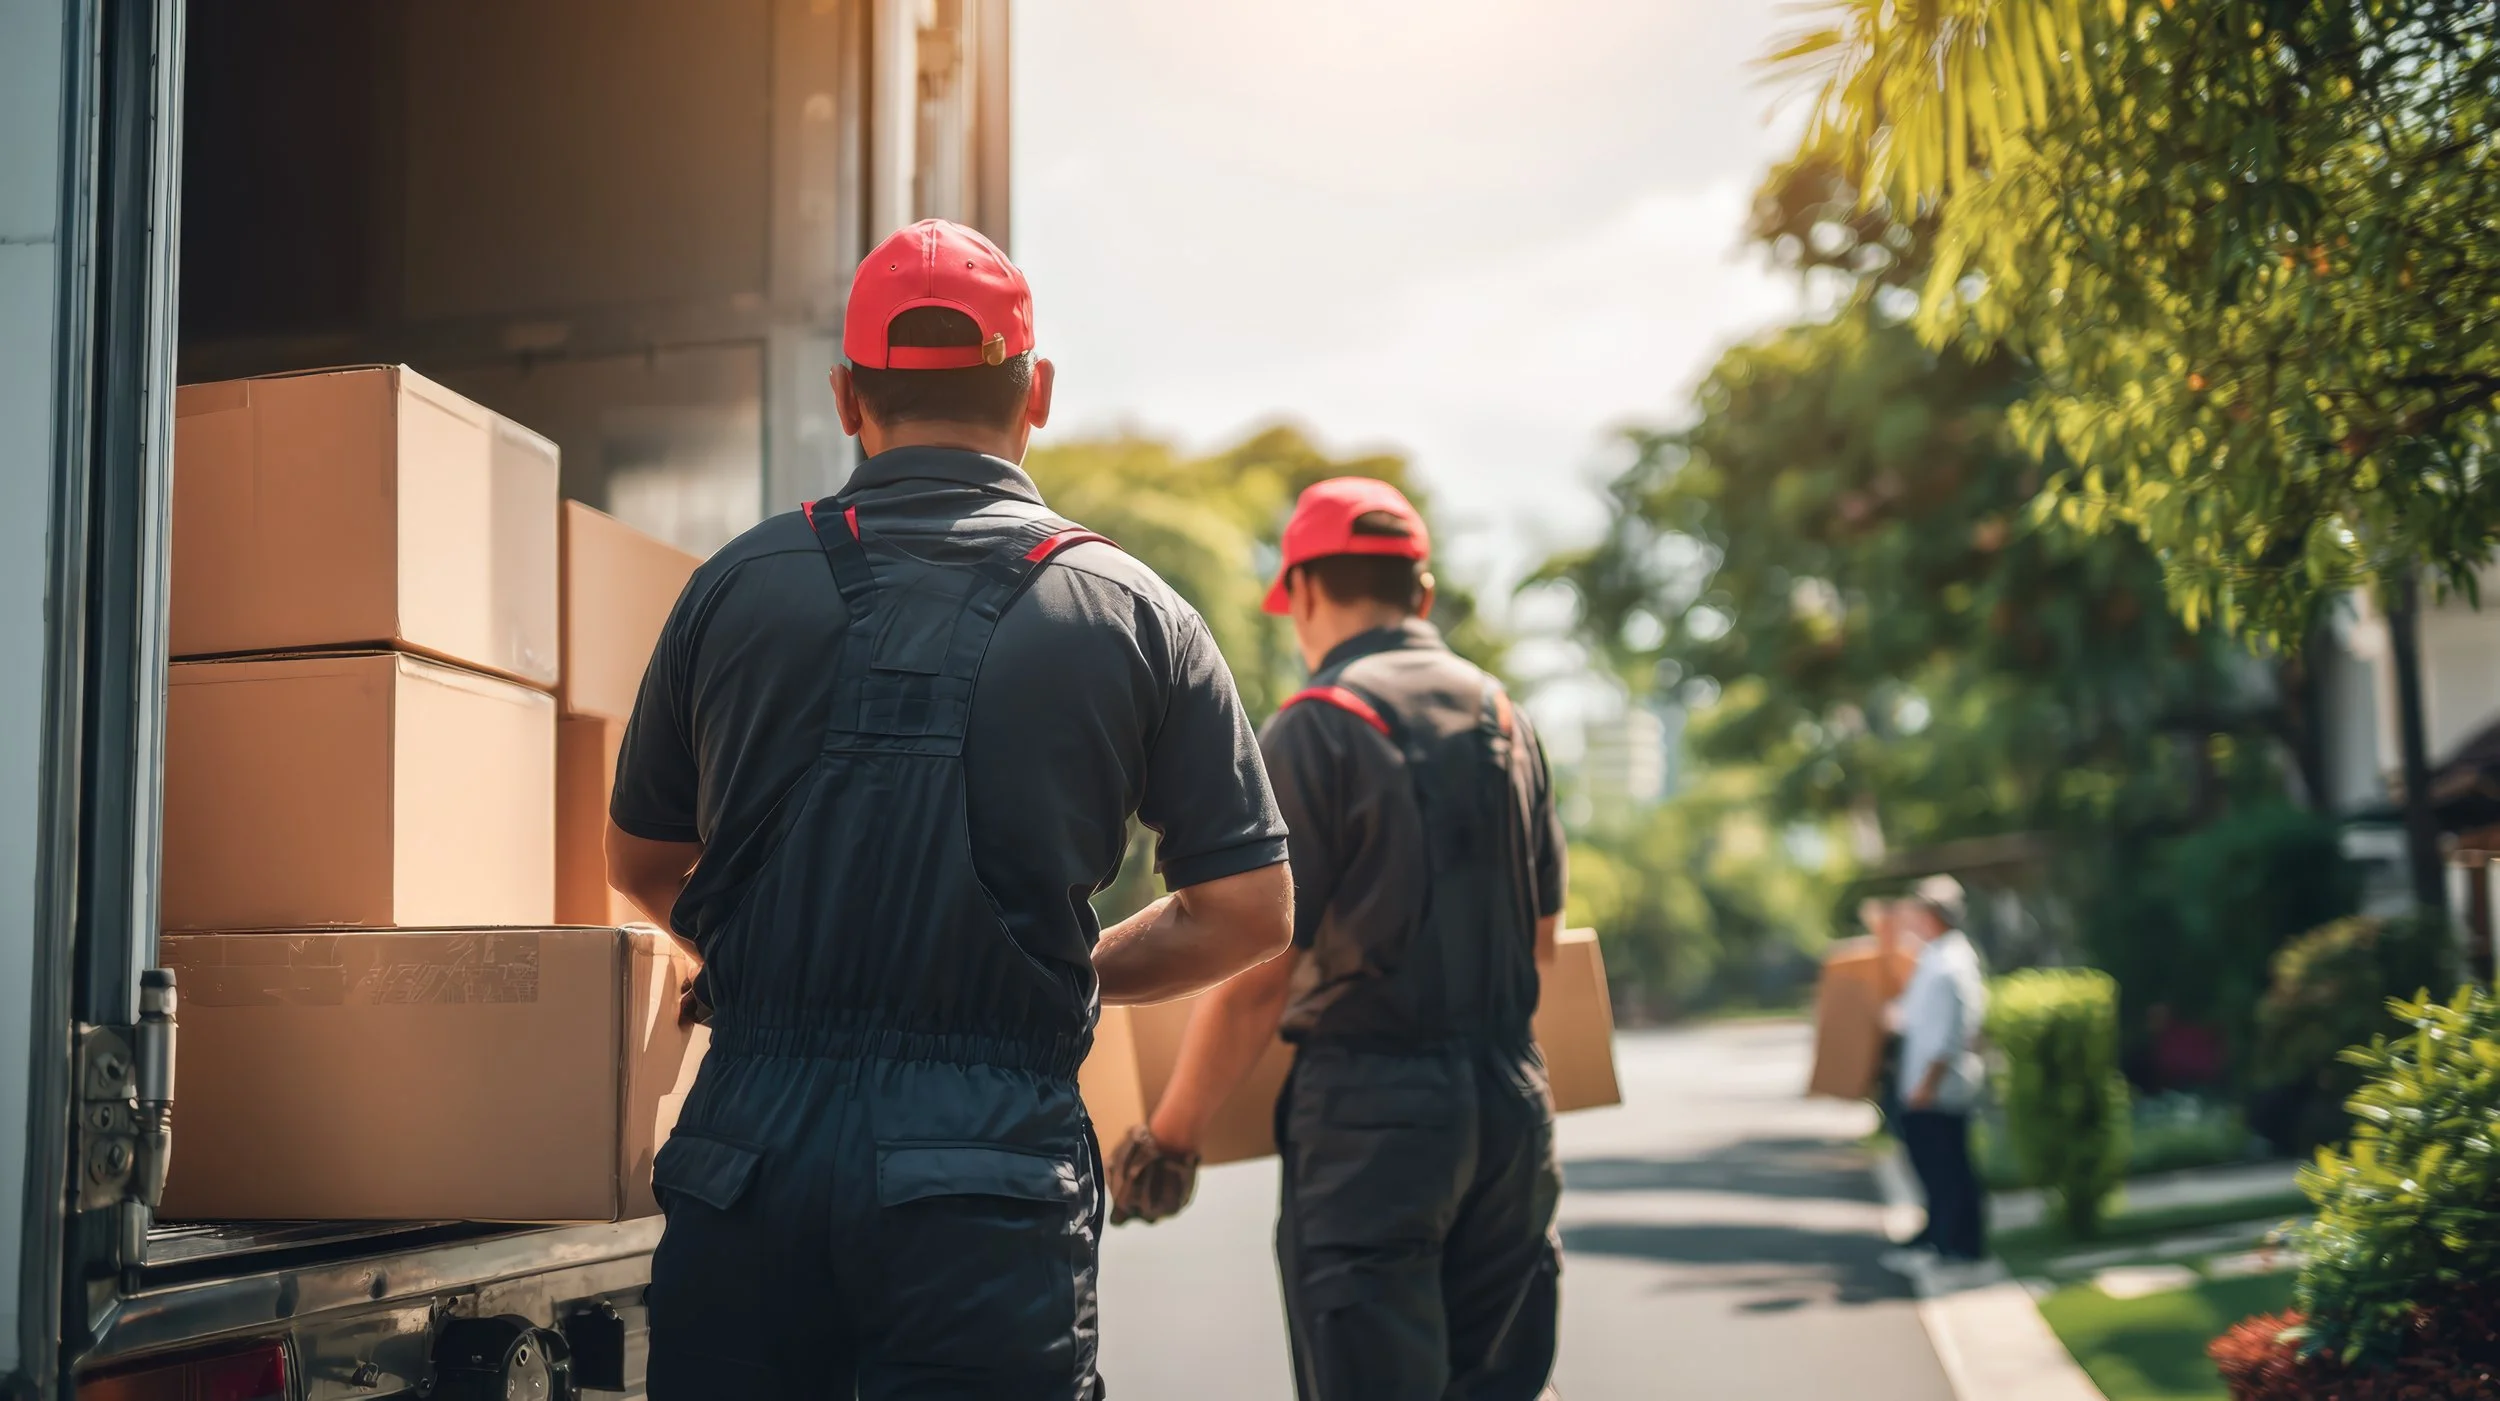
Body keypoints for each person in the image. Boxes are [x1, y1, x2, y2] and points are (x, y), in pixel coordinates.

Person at [603, 218, 1295, 1399]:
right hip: (985, 1182)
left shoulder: (733, 588)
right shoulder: (1133, 612)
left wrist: (791, 955)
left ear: (842, 397)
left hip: (748, 1160)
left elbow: (643, 858)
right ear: (1036, 395)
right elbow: (1246, 913)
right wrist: (1060, 966)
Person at [1108, 478, 1569, 1401]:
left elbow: (1253, 980)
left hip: (1374, 1125)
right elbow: (1543, 943)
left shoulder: (1318, 727)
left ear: (1306, 590)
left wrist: (1170, 1140)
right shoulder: (1506, 722)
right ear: (1424, 595)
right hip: (1513, 1110)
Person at [1882, 875, 1990, 1274]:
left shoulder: (1951, 962)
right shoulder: (1934, 955)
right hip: (1924, 1082)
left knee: (1950, 1168)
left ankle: (1959, 1245)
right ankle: (1940, 1236)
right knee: (1933, 1165)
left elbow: (1948, 1036)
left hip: (1938, 1086)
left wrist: (1926, 1085)